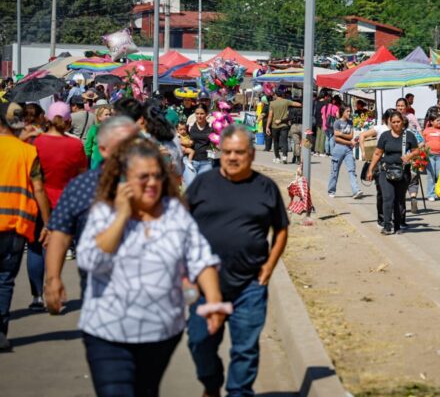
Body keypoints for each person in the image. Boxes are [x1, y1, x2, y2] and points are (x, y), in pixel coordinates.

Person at [77, 138, 223, 396]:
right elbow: (90, 260)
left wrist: (213, 300)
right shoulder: (105, 211)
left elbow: (201, 258)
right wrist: (122, 216)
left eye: (157, 176)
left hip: (160, 332)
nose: (152, 183)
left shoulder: (174, 212)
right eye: (144, 176)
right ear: (125, 177)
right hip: (108, 333)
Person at [186, 124, 289, 397]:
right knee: (199, 341)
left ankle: (239, 391)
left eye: (239, 152)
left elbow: (281, 229)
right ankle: (211, 385)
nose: (232, 157)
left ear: (251, 154)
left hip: (249, 285)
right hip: (204, 285)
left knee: (245, 349)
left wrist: (269, 267)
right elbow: (180, 225)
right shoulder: (202, 184)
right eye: (227, 152)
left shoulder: (265, 187)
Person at [44, 116, 139, 315]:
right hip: (97, 290)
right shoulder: (80, 187)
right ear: (103, 149)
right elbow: (61, 235)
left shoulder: (151, 184)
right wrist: (53, 279)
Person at [26, 102, 87, 310]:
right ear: (68, 121)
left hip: (37, 199)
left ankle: (37, 297)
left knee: (35, 246)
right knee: (56, 246)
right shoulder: (75, 145)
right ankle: (52, 285)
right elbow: (81, 176)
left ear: (47, 119)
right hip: (65, 202)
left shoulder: (35, 142)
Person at [0, 102, 51, 350]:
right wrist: (48, 223)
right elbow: (39, 188)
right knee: (5, 279)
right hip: (16, 225)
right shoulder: (28, 153)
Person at [367, 111, 419, 235]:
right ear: (390, 123)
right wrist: (370, 169)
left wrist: (409, 156)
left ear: (402, 122)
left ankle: (397, 225)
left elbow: (416, 151)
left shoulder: (409, 136)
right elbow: (378, 153)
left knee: (399, 200)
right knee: (388, 198)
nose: (396, 124)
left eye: (398, 122)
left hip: (402, 172)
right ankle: (387, 225)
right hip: (386, 171)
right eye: (393, 122)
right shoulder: (385, 136)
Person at [359, 109, 395, 228]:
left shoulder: (398, 130)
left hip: (394, 162)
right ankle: (382, 217)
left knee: (393, 191)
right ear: (386, 119)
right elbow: (362, 135)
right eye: (391, 118)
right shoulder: (380, 128)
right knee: (381, 191)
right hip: (380, 162)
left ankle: (391, 216)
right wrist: (364, 151)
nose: (393, 121)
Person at [328, 105, 363, 199]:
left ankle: (356, 190)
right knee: (334, 170)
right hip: (338, 149)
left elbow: (350, 136)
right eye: (347, 111)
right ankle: (331, 190)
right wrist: (348, 141)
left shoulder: (350, 122)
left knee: (352, 169)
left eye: (349, 111)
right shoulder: (337, 122)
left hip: (348, 150)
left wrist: (341, 133)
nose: (349, 113)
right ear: (342, 112)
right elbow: (336, 138)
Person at [266, 89, 301, 164]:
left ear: (276, 95)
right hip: (284, 125)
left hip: (274, 126)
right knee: (284, 141)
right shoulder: (286, 101)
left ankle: (277, 158)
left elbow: (270, 116)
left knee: (276, 141)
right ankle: (284, 156)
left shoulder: (272, 103)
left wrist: (267, 127)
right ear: (282, 95)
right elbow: (298, 104)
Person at [184, 103, 213, 187]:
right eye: (197, 113)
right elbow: (182, 136)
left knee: (202, 187)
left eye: (202, 113)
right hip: (191, 162)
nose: (199, 116)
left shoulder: (211, 127)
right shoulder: (190, 126)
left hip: (206, 162)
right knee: (191, 187)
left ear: (207, 114)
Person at [422, 111, 440, 201]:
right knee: (430, 175)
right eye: (437, 120)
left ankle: (439, 192)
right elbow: (423, 142)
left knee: (439, 175)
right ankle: (431, 194)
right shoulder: (426, 131)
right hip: (429, 156)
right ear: (431, 122)